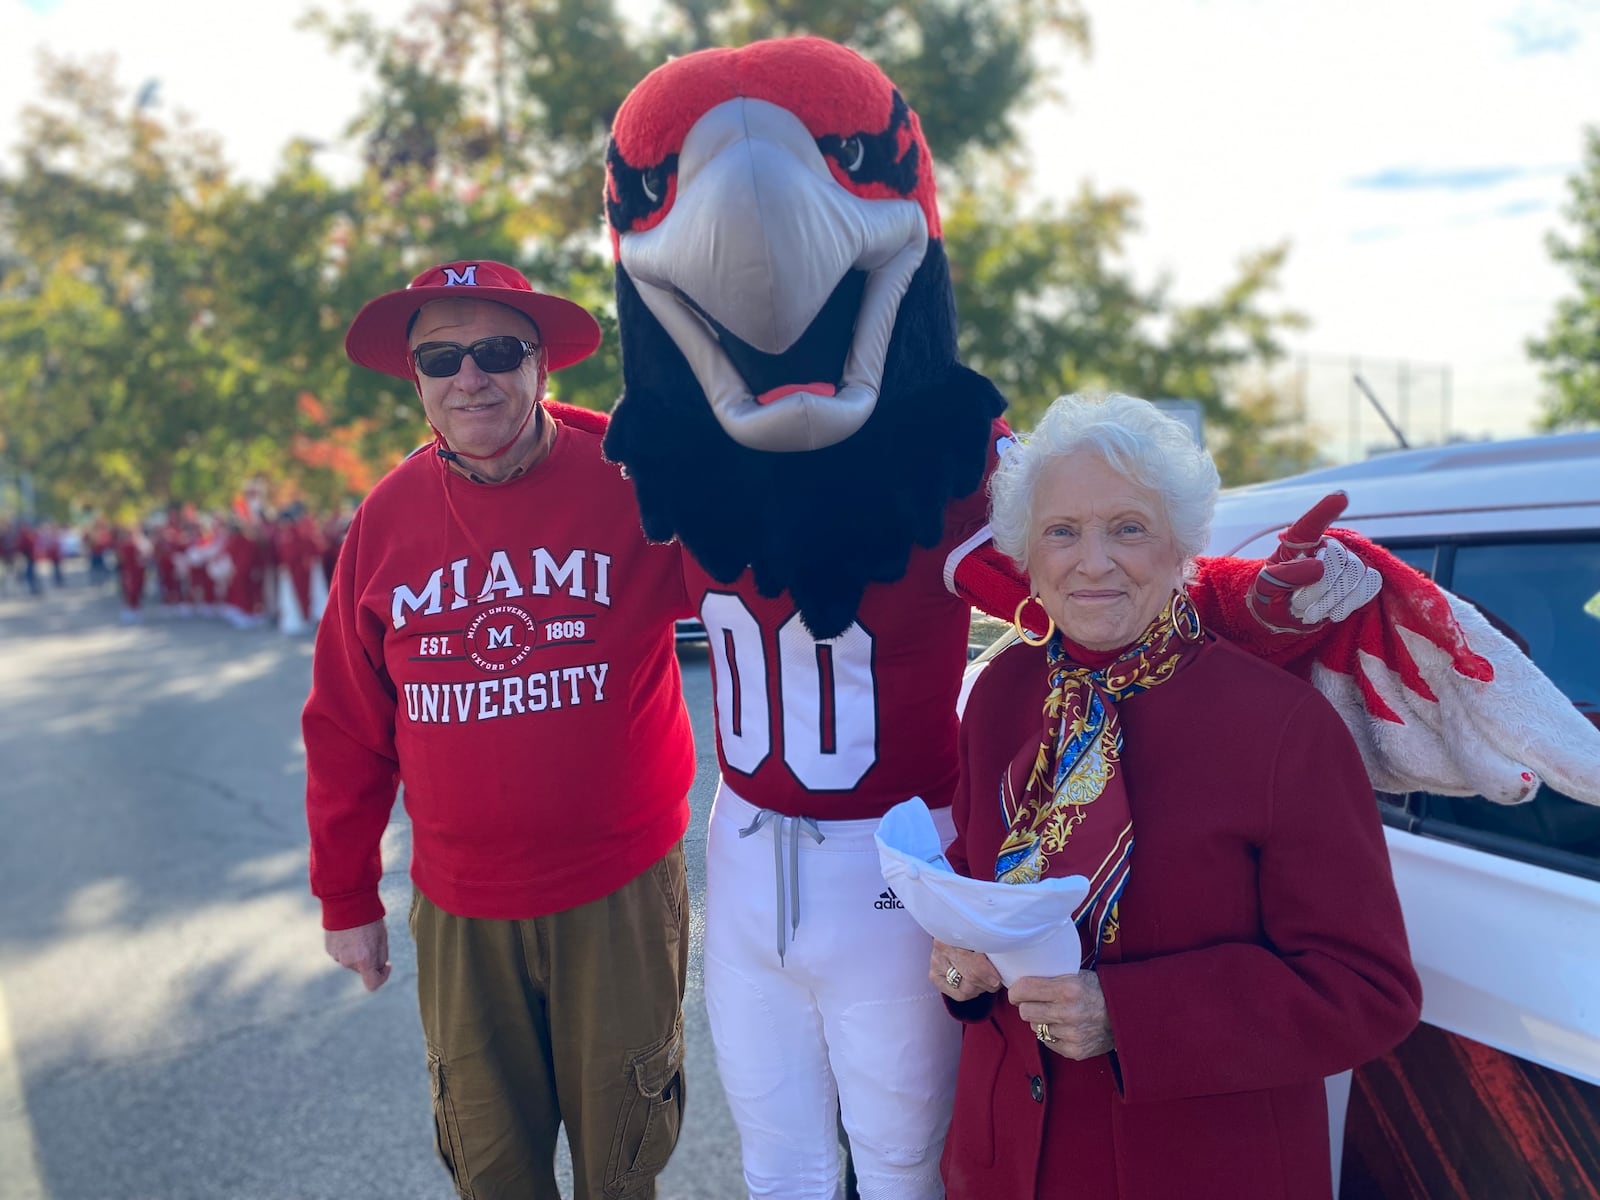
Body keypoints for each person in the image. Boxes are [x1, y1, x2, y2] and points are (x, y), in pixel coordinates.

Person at [929, 393, 1423, 1199]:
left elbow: (1370, 990)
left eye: (1128, 528)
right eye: (1062, 531)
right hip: (1009, 1164)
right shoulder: (1003, 691)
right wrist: (955, 951)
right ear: (1026, 551)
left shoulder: (1280, 727)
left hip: (1201, 1165)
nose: (1092, 562)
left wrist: (1126, 1016)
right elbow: (973, 864)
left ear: (1181, 545)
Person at [301, 260, 696, 1200]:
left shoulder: (637, 474)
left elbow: (769, 586)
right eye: (442, 356)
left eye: (496, 350)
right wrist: (346, 897)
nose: (468, 376)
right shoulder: (386, 519)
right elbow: (347, 725)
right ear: (418, 379)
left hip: (619, 893)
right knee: (489, 1165)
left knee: (624, 1156)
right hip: (461, 906)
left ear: (541, 367)